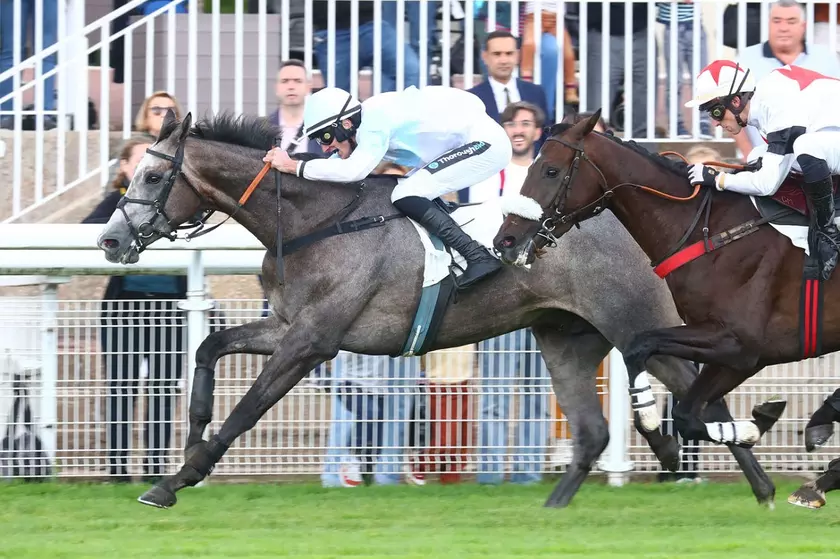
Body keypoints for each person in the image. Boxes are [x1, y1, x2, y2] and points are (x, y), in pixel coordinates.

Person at [263, 85, 512, 291]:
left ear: (346, 123)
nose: (325, 147)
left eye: (326, 138)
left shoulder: (374, 121)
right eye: (318, 140)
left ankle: (477, 256)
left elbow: (353, 172)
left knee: (405, 193)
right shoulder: (363, 123)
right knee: (406, 188)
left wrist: (294, 167)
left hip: (484, 144)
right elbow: (335, 167)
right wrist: (293, 166)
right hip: (463, 142)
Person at [684, 60, 840, 281]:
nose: (716, 123)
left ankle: (828, 233)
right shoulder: (766, 102)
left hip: (826, 139)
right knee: (758, 155)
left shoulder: (776, 105)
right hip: (831, 137)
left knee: (805, 146)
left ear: (736, 100)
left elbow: (767, 185)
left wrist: (718, 179)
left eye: (716, 112)